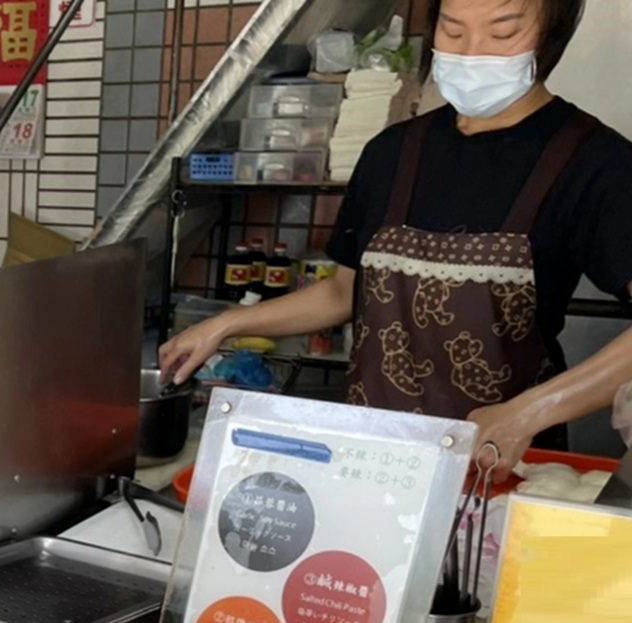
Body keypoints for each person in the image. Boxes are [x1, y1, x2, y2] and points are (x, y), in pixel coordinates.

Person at [160, 0, 632, 473]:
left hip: (499, 464)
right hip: (375, 459)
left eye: (502, 33)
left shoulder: (595, 163)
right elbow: (344, 293)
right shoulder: (393, 151)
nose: (472, 53)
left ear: (550, 39)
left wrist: (530, 412)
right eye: (452, 31)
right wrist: (224, 324)